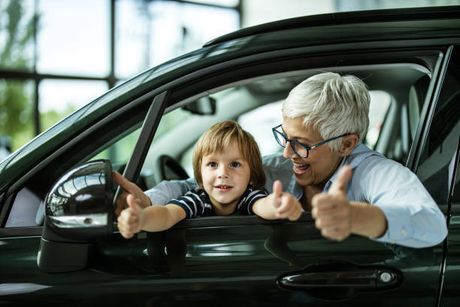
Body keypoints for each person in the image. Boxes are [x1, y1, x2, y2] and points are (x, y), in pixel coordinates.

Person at [116, 72, 447, 248]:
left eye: (301, 145)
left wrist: (356, 217)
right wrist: (149, 201)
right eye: (284, 137)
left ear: (347, 144)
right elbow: (191, 187)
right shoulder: (278, 165)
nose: (287, 154)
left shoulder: (374, 173)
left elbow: (431, 226)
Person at [115, 120, 302, 239]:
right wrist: (143, 218)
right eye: (212, 164)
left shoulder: (249, 196)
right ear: (200, 174)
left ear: (252, 176)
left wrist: (279, 205)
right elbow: (167, 215)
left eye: (235, 164)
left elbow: (263, 205)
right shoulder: (197, 200)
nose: (223, 173)